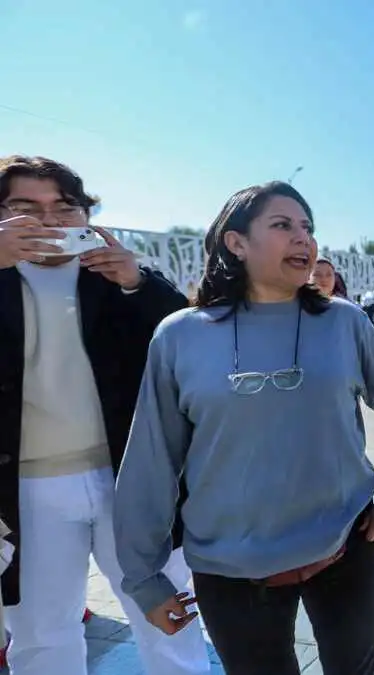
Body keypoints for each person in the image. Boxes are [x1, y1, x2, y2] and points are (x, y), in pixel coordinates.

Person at [112, 180, 374, 675]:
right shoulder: (180, 336)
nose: (304, 239)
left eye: (308, 228)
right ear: (236, 243)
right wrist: (144, 578)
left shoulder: (345, 323)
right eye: (283, 226)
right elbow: (152, 460)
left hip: (345, 548)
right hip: (229, 573)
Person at [0, 155, 209, 675]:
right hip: (28, 489)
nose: (49, 221)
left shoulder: (113, 274)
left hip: (132, 481)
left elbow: (186, 336)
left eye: (64, 207)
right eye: (25, 208)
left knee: (170, 620)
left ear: (85, 215)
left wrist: (138, 281)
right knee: (43, 635)